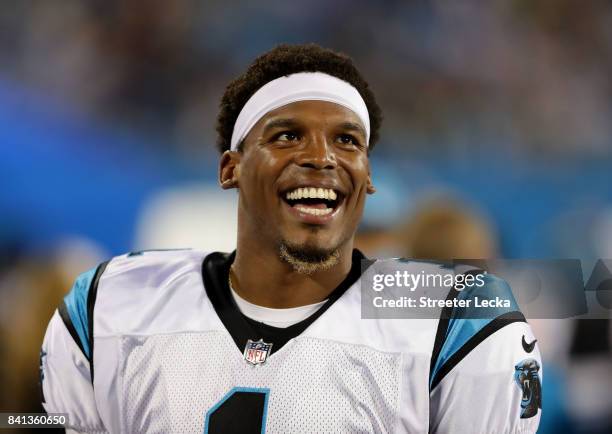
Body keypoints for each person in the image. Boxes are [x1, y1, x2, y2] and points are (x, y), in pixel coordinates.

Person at [40, 44, 542, 433]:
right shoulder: (112, 303)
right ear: (229, 168)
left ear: (367, 177)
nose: (321, 157)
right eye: (287, 135)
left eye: (347, 140)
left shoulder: (452, 320)